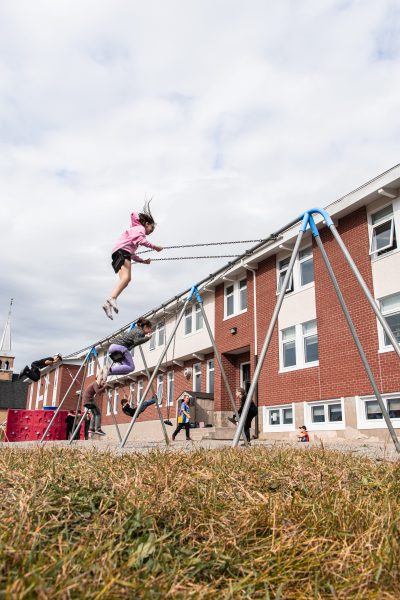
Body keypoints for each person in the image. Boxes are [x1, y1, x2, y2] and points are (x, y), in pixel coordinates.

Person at [103, 202, 163, 319]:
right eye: (151, 228)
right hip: (122, 252)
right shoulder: (139, 229)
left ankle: (108, 304)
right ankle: (111, 299)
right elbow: (141, 241)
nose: (150, 232)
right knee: (127, 278)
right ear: (146, 224)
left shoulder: (134, 230)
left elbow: (132, 254)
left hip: (118, 253)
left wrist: (143, 261)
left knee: (124, 280)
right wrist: (155, 247)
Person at [82, 368, 107, 436]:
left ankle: (91, 428)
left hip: (87, 400)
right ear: (100, 380)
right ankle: (97, 429)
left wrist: (103, 387)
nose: (103, 383)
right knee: (98, 413)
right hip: (89, 400)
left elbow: (99, 391)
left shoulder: (95, 384)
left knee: (94, 413)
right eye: (103, 381)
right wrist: (104, 387)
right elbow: (98, 392)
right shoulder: (95, 384)